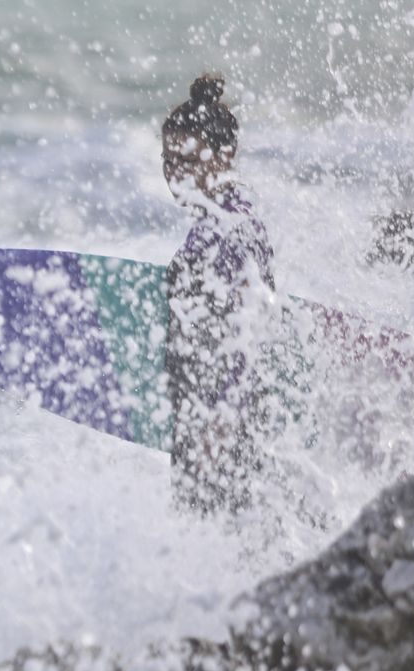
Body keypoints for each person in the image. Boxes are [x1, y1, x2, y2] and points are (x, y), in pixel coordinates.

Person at [162, 74, 277, 516]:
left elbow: (254, 319)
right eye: (167, 159)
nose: (174, 172)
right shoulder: (219, 221)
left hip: (226, 426)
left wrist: (225, 415)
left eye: (186, 158)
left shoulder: (234, 227)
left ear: (224, 156)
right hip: (205, 416)